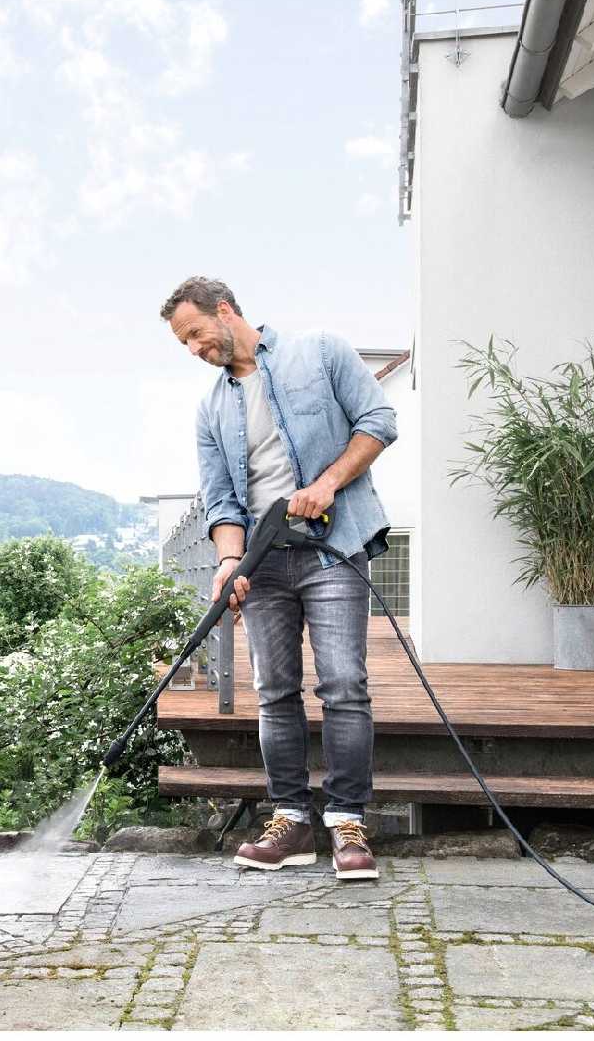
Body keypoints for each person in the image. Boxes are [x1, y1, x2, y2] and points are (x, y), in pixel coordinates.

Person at [160, 276, 398, 881]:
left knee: (344, 684)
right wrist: (228, 562)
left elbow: (378, 419)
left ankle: (347, 821)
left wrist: (328, 484)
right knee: (274, 691)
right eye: (184, 344)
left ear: (225, 310)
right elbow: (220, 500)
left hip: (333, 548)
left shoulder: (318, 352)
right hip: (262, 561)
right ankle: (291, 820)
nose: (193, 349)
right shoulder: (211, 408)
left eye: (195, 334)